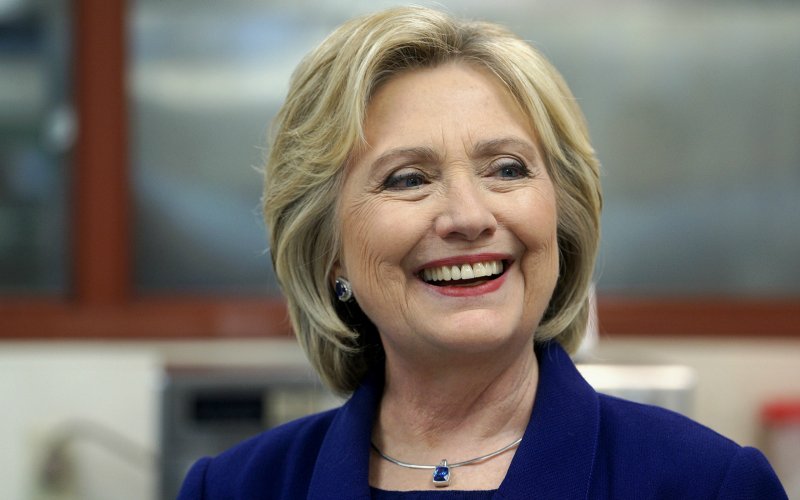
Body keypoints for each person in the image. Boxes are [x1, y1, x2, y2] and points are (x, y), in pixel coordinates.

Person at [178, 6, 786, 499]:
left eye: (506, 169)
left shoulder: (707, 484)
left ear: (561, 219)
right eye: (408, 179)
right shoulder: (233, 487)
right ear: (329, 250)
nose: (469, 217)